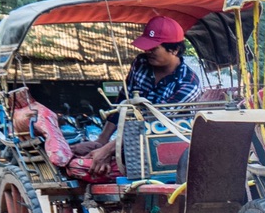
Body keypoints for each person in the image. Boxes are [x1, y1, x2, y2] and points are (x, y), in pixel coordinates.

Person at [71, 17, 203, 176]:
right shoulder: (141, 63)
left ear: (174, 50)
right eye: (146, 47)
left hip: (166, 148)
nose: (148, 52)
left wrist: (109, 150)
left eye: (154, 48)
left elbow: (152, 123)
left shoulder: (188, 84)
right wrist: (101, 141)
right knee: (77, 156)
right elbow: (123, 103)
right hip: (129, 142)